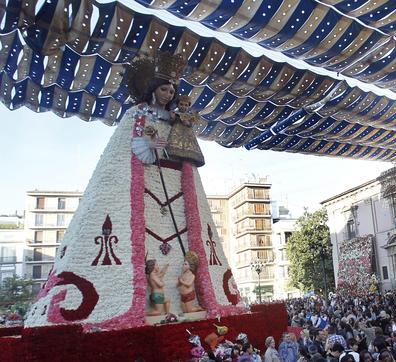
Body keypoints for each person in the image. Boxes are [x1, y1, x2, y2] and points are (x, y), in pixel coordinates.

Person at [24, 52, 242, 328]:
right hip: (145, 178)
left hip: (176, 184)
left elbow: (185, 148)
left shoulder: (176, 118)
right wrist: (149, 147)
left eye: (172, 89)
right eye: (164, 88)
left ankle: (188, 299)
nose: (168, 93)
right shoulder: (137, 114)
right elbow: (129, 146)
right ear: (153, 89)